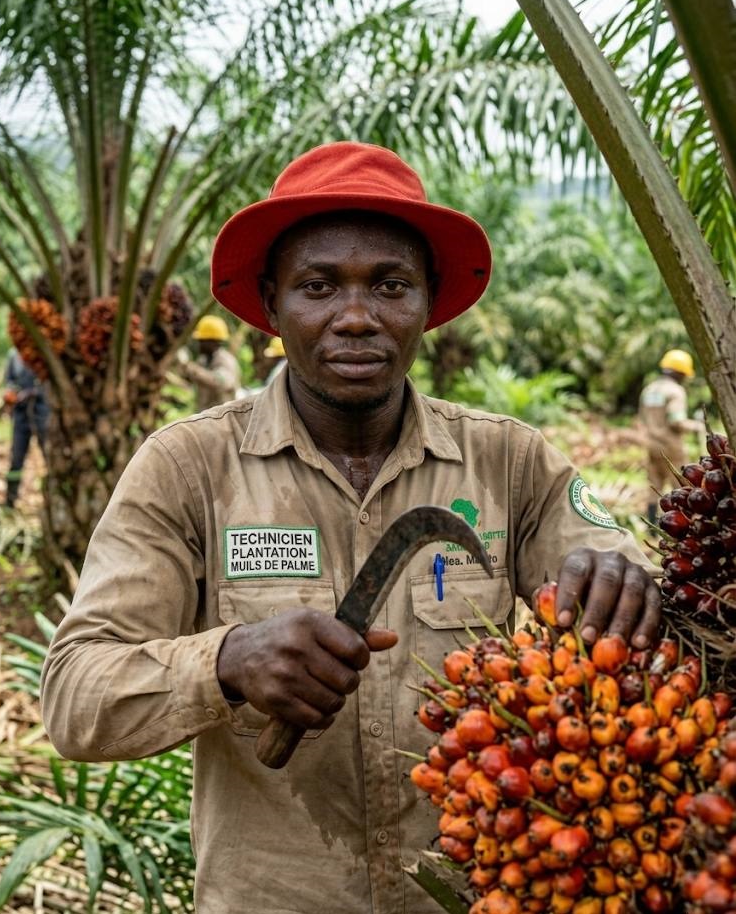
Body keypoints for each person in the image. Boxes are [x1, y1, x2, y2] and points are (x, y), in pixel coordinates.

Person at [42, 142, 661, 914]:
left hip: (471, 895)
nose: (358, 317)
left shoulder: (509, 460)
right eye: (318, 286)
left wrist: (615, 579)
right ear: (270, 304)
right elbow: (75, 699)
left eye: (391, 285)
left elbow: (608, 573)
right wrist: (226, 660)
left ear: (429, 301)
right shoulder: (187, 467)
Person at [638, 348, 704, 523]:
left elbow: (642, 417)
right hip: (670, 446)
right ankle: (685, 525)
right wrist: (698, 426)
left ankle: (652, 527)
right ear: (680, 372)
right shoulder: (675, 391)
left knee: (654, 485)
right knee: (682, 486)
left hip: (651, 443)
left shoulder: (650, 389)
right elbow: (677, 422)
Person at [2, 347, 49, 508]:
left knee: (48, 456)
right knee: (16, 457)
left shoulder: (42, 350)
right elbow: (9, 382)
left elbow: (48, 382)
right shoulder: (13, 355)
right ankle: (10, 501)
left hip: (41, 411)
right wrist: (10, 393)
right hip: (20, 415)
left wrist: (31, 393)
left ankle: (50, 499)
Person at [179, 314, 240, 411]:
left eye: (202, 341)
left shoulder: (226, 360)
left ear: (213, 342)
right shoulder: (202, 360)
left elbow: (221, 382)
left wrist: (192, 369)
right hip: (205, 416)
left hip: (223, 418)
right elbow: (190, 380)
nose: (199, 344)